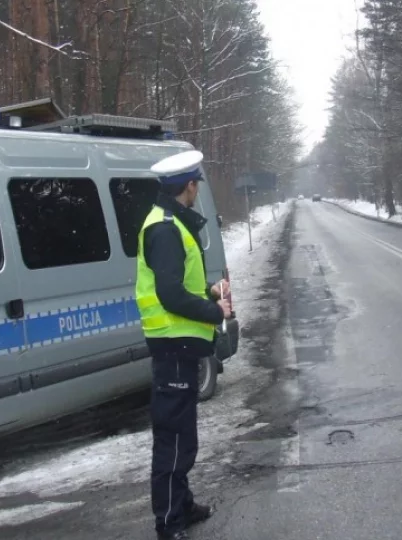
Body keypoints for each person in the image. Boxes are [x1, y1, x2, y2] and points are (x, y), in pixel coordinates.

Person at [136, 150, 232, 540]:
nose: (197, 191)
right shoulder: (164, 229)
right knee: (173, 439)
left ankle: (182, 504)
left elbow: (181, 284)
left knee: (181, 435)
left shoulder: (170, 221)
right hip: (172, 345)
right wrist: (215, 311)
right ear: (189, 186)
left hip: (179, 345)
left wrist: (208, 290)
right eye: (196, 185)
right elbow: (171, 295)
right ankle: (169, 523)